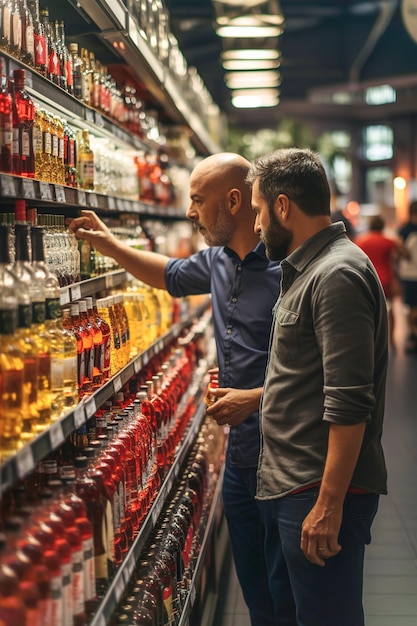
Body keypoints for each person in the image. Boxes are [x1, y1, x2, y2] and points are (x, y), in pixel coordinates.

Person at [68, 153, 282, 626]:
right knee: (258, 598)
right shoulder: (219, 261)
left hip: (287, 461)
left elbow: (318, 372)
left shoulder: (290, 270)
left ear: (233, 201)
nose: (190, 212)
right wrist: (109, 244)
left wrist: (258, 398)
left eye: (198, 200)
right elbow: (166, 274)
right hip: (240, 457)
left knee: (289, 593)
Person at [246, 147, 388, 626]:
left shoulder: (337, 275)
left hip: (315, 492)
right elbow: (311, 379)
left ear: (283, 206)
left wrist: (329, 505)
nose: (258, 226)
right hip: (293, 487)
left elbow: (349, 402)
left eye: (260, 212)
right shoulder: (310, 270)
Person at [355, 214, 409, 349]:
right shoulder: (388, 241)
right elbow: (405, 254)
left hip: (367, 279)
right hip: (386, 279)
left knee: (369, 310)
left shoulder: (361, 241)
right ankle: (391, 341)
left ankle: (372, 341)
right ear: (382, 226)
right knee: (390, 310)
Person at [397, 200, 417, 352]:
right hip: (409, 274)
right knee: (410, 306)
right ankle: (412, 334)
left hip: (409, 273)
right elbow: (399, 251)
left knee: (412, 307)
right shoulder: (404, 231)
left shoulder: (404, 230)